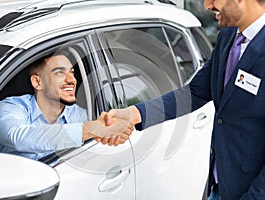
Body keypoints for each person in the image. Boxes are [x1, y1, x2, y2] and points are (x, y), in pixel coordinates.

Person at [100, 0, 265, 199]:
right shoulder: (228, 37)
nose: (207, 5)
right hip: (219, 184)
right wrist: (134, 114)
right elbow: (195, 92)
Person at [0, 52, 133, 160]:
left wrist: (114, 131)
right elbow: (16, 137)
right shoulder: (10, 107)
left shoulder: (84, 116)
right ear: (37, 82)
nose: (71, 80)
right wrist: (91, 129)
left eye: (72, 73)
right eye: (59, 73)